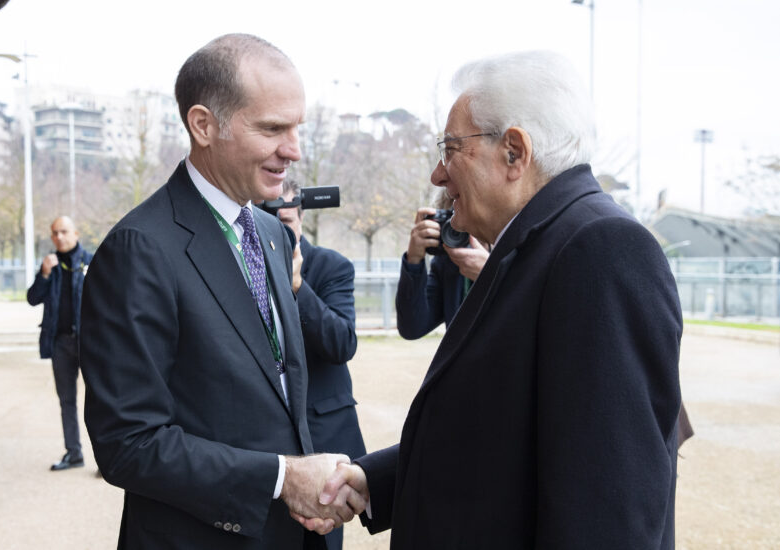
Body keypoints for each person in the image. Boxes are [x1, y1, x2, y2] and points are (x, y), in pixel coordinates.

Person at [316, 50, 684, 548]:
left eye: (450, 149)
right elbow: (500, 433)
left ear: (514, 152)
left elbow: (607, 506)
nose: (438, 176)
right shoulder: (538, 245)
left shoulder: (599, 249)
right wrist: (374, 479)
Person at [79, 34, 362, 549]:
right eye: (273, 128)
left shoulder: (273, 234)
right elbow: (128, 444)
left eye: (297, 127)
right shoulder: (138, 249)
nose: (294, 150)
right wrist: (281, 478)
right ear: (203, 125)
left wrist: (309, 481)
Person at [276, 179, 367, 550]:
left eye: (284, 222)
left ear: (300, 217)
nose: (276, 234)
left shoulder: (332, 266)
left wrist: (297, 285)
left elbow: (342, 344)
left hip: (322, 438)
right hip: (264, 444)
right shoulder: (240, 267)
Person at [26, 216, 93, 471]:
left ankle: (105, 458)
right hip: (60, 343)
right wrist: (43, 273)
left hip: (89, 344)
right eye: (54, 233)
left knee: (99, 400)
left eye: (64, 231)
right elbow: (33, 299)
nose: (59, 237)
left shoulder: (91, 261)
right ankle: (74, 453)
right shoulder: (50, 266)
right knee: (67, 400)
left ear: (75, 233)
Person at [396, 189, 490, 339]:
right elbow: (412, 327)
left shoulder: (517, 252)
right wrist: (414, 259)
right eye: (452, 219)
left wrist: (491, 275)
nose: (461, 227)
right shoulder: (449, 261)